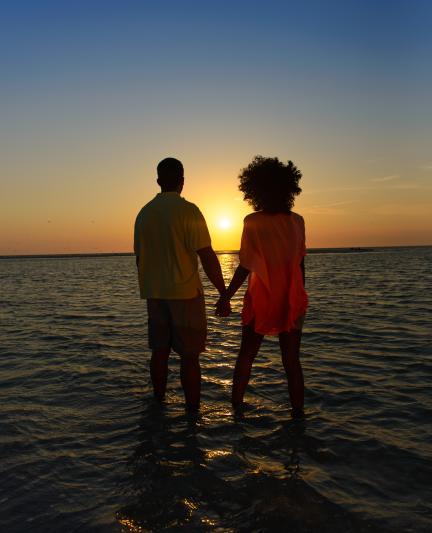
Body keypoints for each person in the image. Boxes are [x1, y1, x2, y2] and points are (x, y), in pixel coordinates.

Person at [216, 156, 308, 418]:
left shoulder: (252, 221)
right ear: (289, 188)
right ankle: (298, 416)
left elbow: (246, 265)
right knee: (291, 362)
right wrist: (300, 297)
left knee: (247, 355)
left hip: (262, 298)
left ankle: (236, 409)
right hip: (292, 298)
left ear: (254, 189)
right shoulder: (298, 221)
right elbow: (300, 265)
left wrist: (226, 296)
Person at [134, 157, 228, 411]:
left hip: (155, 294)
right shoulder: (189, 211)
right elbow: (207, 256)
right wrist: (223, 293)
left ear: (158, 181)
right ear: (182, 182)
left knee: (159, 351)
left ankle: (158, 402)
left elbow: (140, 259)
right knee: (189, 357)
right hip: (185, 294)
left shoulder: (143, 214)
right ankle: (192, 414)